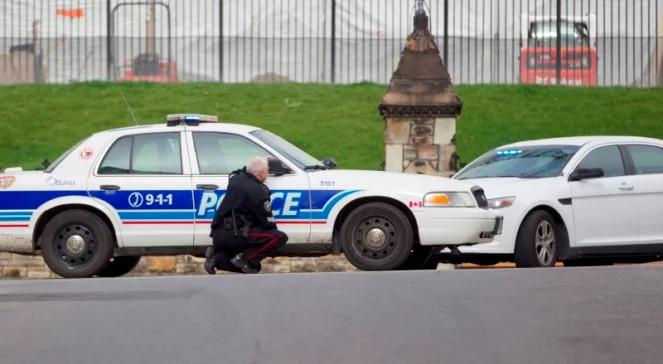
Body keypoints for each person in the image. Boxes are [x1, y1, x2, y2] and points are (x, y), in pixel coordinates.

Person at [204, 156, 288, 274]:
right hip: (235, 234)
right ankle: (244, 259)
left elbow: (244, 170)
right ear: (261, 173)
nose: (268, 174)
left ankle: (217, 258)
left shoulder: (236, 179)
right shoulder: (258, 191)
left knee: (254, 267)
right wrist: (272, 232)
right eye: (267, 171)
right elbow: (267, 220)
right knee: (278, 237)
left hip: (218, 233)